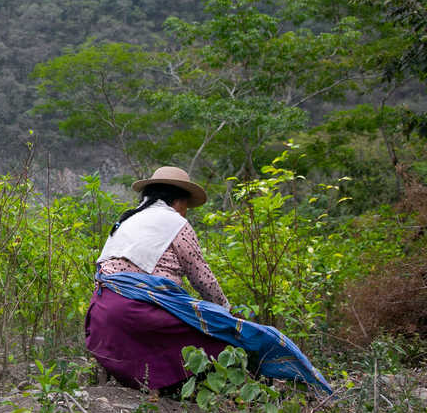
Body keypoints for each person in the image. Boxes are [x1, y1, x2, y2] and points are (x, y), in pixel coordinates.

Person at [85, 166, 332, 395]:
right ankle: (254, 391)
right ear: (178, 200)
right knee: (227, 336)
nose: (186, 211)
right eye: (186, 206)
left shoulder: (127, 220)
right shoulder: (175, 223)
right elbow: (202, 279)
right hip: (136, 313)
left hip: (102, 315)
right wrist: (228, 314)